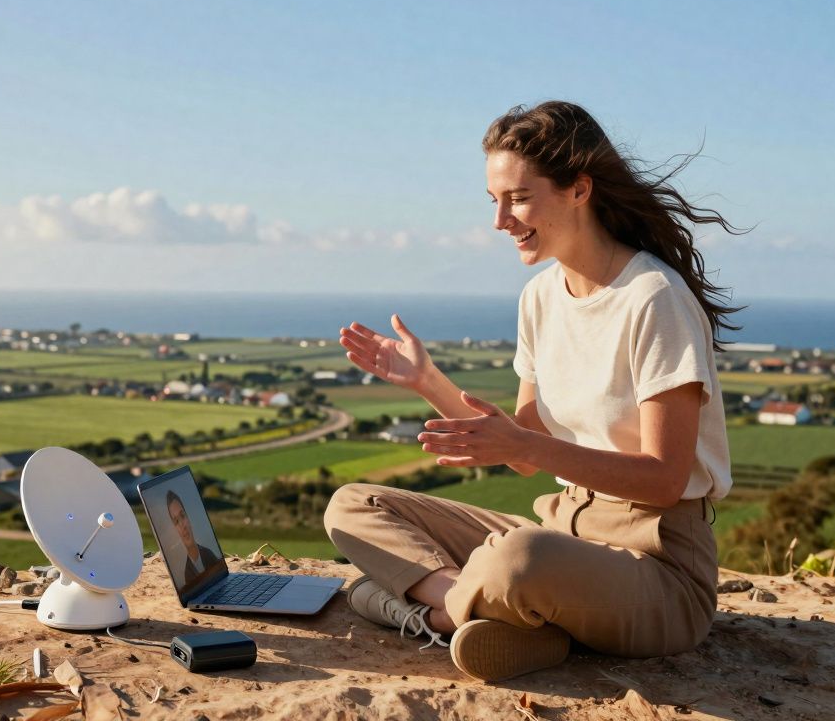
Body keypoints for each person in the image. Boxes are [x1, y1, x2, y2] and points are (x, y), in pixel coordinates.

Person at [323, 100, 741, 682]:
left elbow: (666, 480)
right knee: (353, 506)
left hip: (659, 567)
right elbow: (522, 448)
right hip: (564, 528)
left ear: (579, 189)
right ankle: (491, 615)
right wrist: (427, 381)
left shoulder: (653, 298)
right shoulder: (540, 298)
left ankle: (432, 609)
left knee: (516, 559)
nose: (501, 220)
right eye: (493, 201)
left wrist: (529, 454)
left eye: (517, 198)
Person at [165, 489, 219, 584]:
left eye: (182, 515)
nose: (183, 525)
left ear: (188, 517)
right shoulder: (187, 574)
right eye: (176, 521)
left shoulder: (209, 555)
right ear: (175, 530)